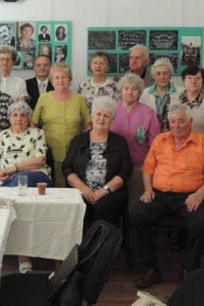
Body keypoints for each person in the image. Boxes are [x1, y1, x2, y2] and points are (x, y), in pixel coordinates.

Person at [132, 104, 204, 289]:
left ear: (190, 121)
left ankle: (189, 269)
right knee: (137, 215)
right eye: (172, 122)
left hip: (190, 196)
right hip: (161, 195)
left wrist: (199, 194)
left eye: (181, 121)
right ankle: (151, 268)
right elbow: (148, 169)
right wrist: (148, 189)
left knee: (202, 222)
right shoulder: (160, 140)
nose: (176, 126)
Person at [0, 101, 51, 273]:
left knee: (21, 179)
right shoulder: (1, 136)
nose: (18, 119)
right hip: (8, 182)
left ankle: (20, 254)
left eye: (23, 115)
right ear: (9, 118)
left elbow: (40, 160)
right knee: (18, 204)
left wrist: (14, 169)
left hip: (37, 178)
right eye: (15, 115)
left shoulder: (38, 133)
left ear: (28, 118)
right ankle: (22, 253)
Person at [62, 96, 132, 230]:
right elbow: (66, 167)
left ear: (112, 120)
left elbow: (126, 171)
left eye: (106, 116)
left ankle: (100, 241)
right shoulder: (78, 140)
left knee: (103, 206)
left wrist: (105, 190)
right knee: (78, 205)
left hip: (109, 192)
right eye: (98, 114)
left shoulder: (120, 142)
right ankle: (78, 242)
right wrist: (83, 188)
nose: (101, 118)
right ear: (92, 116)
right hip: (81, 190)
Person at [32, 63, 91, 187]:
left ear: (70, 80)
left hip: (74, 152)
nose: (60, 80)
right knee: (50, 188)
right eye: (56, 77)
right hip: (48, 151)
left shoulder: (79, 99)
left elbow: (89, 125)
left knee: (72, 187)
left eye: (64, 77)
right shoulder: (44, 98)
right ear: (52, 81)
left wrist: (84, 146)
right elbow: (34, 124)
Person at [110, 73, 160, 210]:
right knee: (114, 203)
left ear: (139, 92)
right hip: (114, 166)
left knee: (136, 203)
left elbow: (155, 144)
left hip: (139, 167)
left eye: (134, 89)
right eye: (126, 88)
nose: (129, 92)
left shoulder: (149, 113)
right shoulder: (112, 110)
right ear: (121, 90)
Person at [166, 65, 204, 151]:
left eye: (198, 78)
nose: (193, 82)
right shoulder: (171, 99)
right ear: (184, 80)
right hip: (175, 151)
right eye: (189, 78)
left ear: (203, 81)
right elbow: (165, 128)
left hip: (202, 151)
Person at [139, 57, 183, 131]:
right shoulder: (145, 93)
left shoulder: (181, 92)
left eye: (165, 73)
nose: (162, 77)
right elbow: (141, 117)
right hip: (152, 134)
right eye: (158, 74)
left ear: (170, 75)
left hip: (175, 134)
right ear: (153, 76)